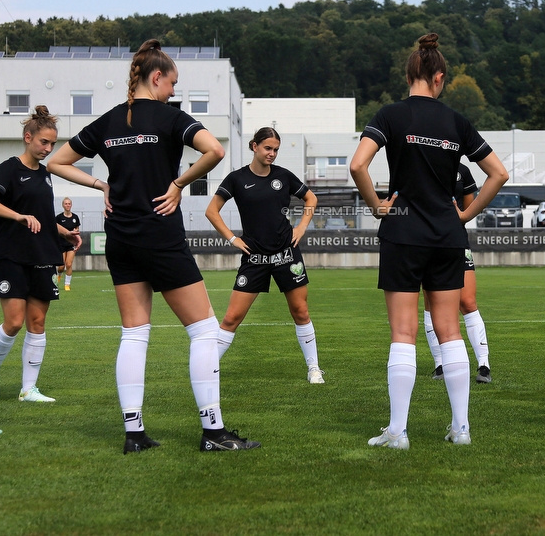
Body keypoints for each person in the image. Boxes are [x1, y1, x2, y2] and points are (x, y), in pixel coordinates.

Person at [47, 39, 260, 454]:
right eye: (171, 84)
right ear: (156, 77)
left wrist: (99, 183)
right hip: (160, 236)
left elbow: (56, 161)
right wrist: (179, 185)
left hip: (120, 240)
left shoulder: (108, 122)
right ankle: (213, 432)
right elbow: (215, 150)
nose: (173, 93)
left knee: (134, 333)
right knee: (203, 331)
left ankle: (134, 434)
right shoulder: (169, 117)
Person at [349, 33, 508, 449]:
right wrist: (467, 214)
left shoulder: (390, 114)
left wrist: (376, 206)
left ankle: (398, 432)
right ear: (439, 78)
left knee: (404, 333)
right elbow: (499, 174)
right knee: (450, 330)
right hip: (447, 235)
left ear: (410, 75)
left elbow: (357, 164)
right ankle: (461, 429)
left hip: (403, 233)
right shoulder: (457, 122)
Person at [205, 127, 324, 383]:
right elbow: (212, 211)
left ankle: (314, 368)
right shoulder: (236, 179)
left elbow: (311, 198)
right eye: (268, 148)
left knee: (300, 312)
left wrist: (301, 226)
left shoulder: (284, 176)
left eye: (276, 150)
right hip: (254, 258)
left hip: (286, 255)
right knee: (231, 318)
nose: (272, 154)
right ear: (254, 146)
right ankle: (205, 368)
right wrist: (233, 239)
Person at [0, 106, 80, 405]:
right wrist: (18, 216)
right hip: (10, 254)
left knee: (37, 322)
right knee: (13, 322)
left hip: (42, 254)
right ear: (28, 137)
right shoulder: (9, 168)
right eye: (44, 142)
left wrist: (64, 233)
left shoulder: (46, 175)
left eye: (52, 143)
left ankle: (28, 389)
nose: (48, 149)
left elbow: (42, 216)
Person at [424, 162, 491, 384]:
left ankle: (484, 365)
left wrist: (459, 215)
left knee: (468, 301)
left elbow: (469, 209)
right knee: (430, 302)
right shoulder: (420, 164)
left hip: (456, 240)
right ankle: (440, 364)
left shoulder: (462, 171)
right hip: (425, 242)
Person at [55, 197, 81, 291]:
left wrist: (76, 231)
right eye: (66, 203)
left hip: (71, 244)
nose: (67, 205)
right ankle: (59, 276)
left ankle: (67, 284)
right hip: (61, 243)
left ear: (71, 205)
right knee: (61, 266)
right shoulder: (58, 217)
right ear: (63, 205)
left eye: (69, 203)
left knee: (69, 264)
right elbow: (55, 229)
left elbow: (77, 229)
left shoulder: (75, 217)